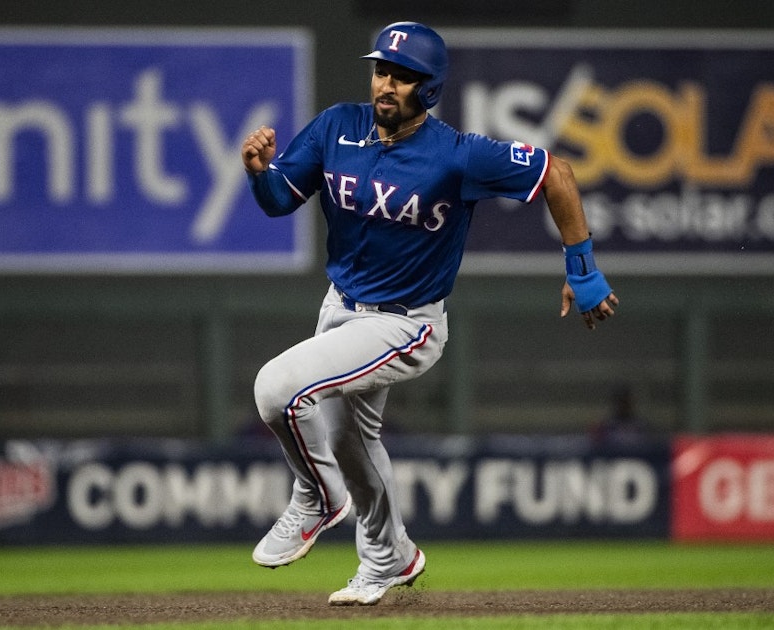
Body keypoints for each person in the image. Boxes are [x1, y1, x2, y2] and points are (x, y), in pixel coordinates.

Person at [240, 21, 619, 606]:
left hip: (404, 322)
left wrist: (583, 268)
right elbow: (277, 201)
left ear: (431, 88)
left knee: (276, 389)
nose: (387, 84)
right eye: (382, 70)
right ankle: (390, 559)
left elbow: (558, 175)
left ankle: (317, 498)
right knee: (352, 447)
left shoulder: (457, 155)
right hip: (338, 305)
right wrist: (259, 172)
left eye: (404, 76)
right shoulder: (338, 126)